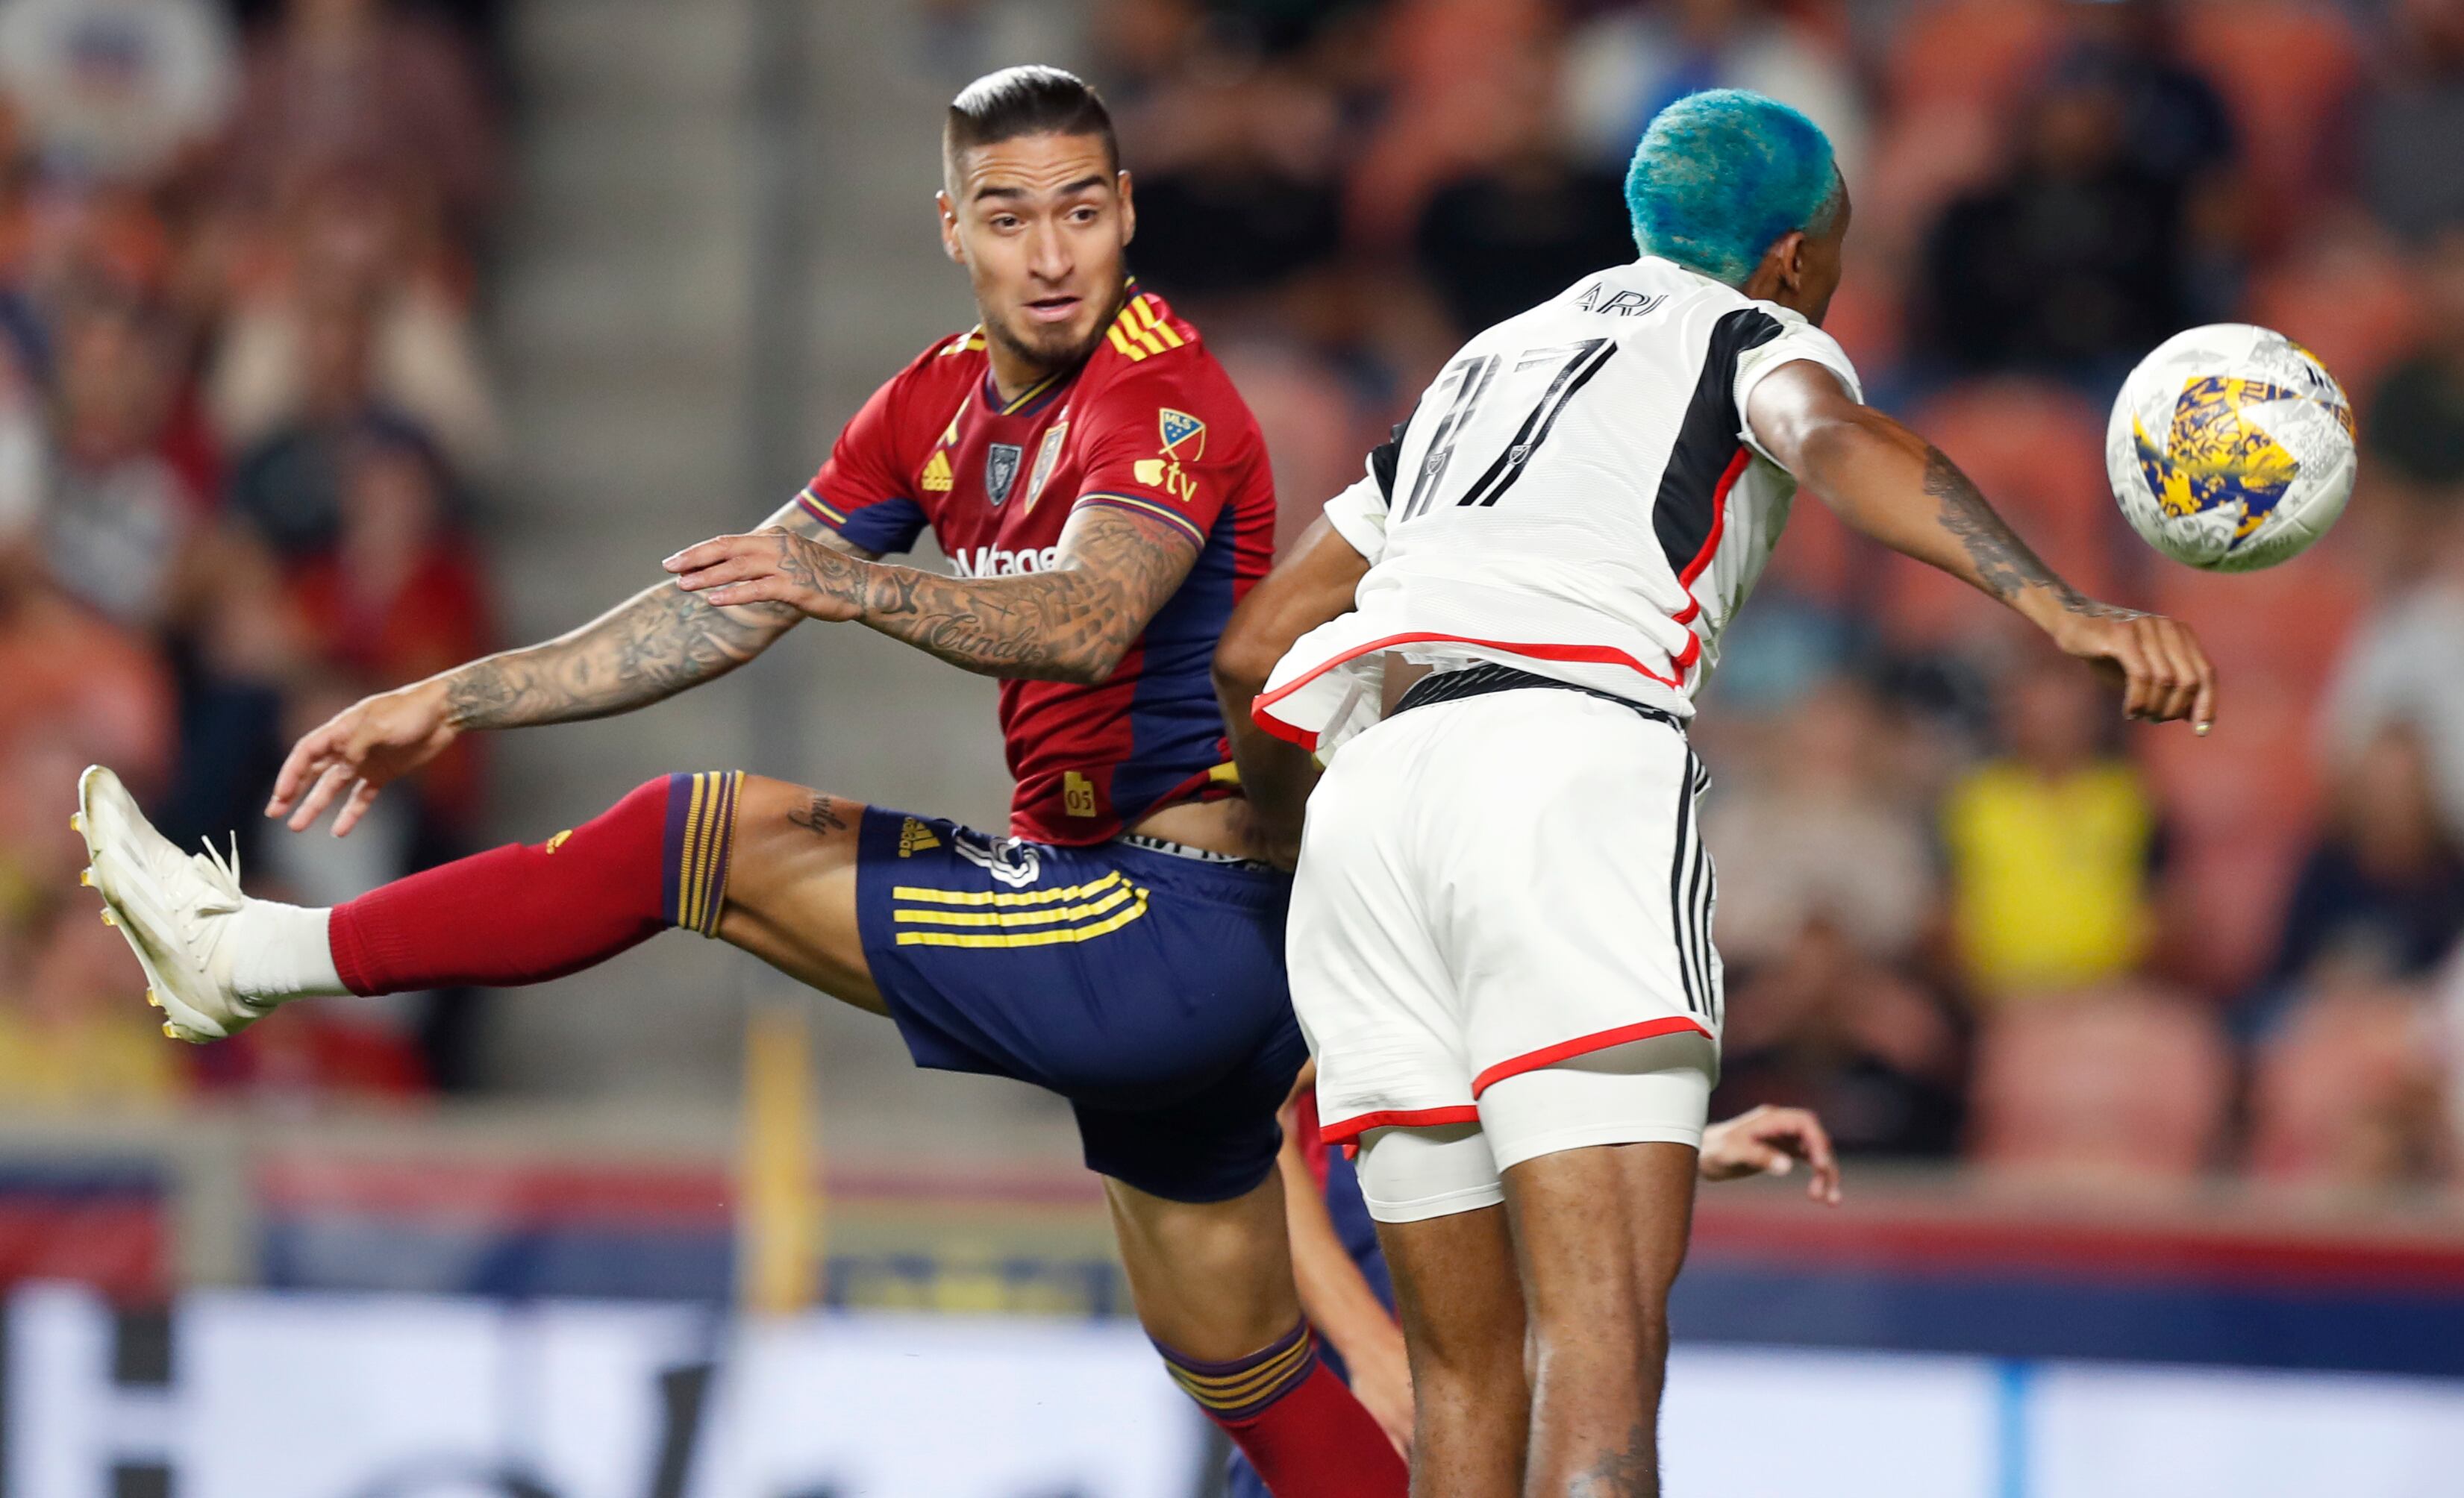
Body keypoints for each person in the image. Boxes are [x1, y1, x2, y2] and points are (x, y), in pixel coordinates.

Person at [73, 66, 1401, 1498]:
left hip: (1175, 924)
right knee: (1247, 1372)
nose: (1052, 253)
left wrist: (855, 586)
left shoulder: (1164, 396)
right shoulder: (931, 406)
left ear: (1127, 210)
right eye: (1009, 216)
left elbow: (1085, 621)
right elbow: (720, 602)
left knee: (695, 834)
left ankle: (248, 954)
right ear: (950, 226)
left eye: (1082, 211)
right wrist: (452, 699)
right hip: (1141, 942)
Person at [1214, 89, 2218, 1497]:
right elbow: (1842, 440)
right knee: (1598, 1351)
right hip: (1566, 769)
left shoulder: (1476, 371)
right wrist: (2055, 606)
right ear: (1797, 257)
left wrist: (1278, 837)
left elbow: (1256, 648)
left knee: (1460, 1383)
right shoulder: (1751, 333)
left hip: (1376, 808)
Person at [1225, 1084, 1841, 1494]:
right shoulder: (1356, 903)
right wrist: (1371, 1352)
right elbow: (1253, 1125)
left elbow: (1509, 1099)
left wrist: (1688, 1146)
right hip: (1362, 1379)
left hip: (1499, 1387)